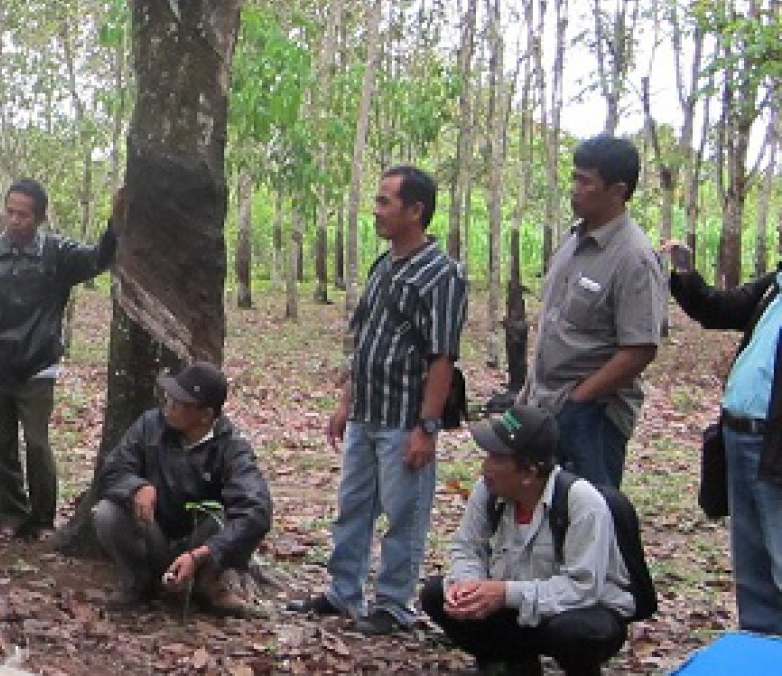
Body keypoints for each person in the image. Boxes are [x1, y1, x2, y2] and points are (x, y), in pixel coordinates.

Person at [288, 165, 467, 635]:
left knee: (404, 514)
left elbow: (442, 356)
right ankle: (343, 591)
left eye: (387, 202)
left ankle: (393, 605)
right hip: (367, 411)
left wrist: (426, 427)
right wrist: (346, 402)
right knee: (353, 504)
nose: (377, 211)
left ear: (416, 210)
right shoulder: (383, 265)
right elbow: (365, 337)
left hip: (404, 417)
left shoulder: (442, 274)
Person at [0, 179, 121, 539]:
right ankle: (11, 515)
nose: (14, 220)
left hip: (38, 364)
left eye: (23, 215)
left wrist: (115, 225)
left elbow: (97, 259)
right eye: (10, 212)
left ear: (40, 218)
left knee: (36, 442)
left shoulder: (56, 254)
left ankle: (43, 519)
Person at [421, 404, 634, 676]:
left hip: (579, 610)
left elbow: (583, 588)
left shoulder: (582, 503)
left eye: (497, 458)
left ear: (529, 472)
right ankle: (507, 661)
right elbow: (467, 546)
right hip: (515, 606)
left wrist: (505, 593)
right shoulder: (488, 490)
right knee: (436, 594)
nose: (485, 466)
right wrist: (468, 585)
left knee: (572, 632)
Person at [522, 136, 665, 489]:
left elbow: (640, 348)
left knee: (589, 522)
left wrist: (579, 399)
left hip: (592, 418)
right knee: (541, 522)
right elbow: (553, 326)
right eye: (575, 178)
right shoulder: (572, 242)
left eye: (586, 182)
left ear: (617, 191)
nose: (575, 190)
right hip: (543, 405)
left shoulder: (634, 259)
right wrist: (528, 391)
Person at [666, 240, 782, 634]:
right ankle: (759, 648)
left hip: (775, 444)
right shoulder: (774, 286)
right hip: (740, 437)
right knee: (752, 564)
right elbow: (719, 308)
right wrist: (685, 275)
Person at [94, 362, 272, 614]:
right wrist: (137, 487)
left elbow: (256, 511)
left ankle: (207, 585)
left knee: (224, 519)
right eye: (169, 398)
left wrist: (203, 553)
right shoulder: (149, 426)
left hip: (202, 542)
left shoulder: (231, 448)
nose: (170, 406)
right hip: (154, 532)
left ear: (206, 415)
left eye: (180, 403)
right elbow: (113, 469)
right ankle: (138, 583)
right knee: (107, 513)